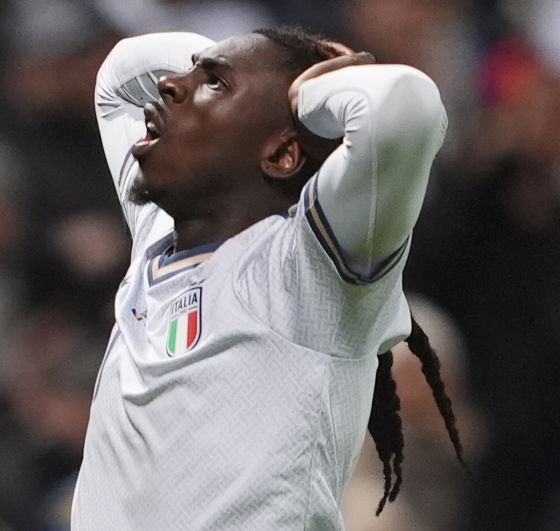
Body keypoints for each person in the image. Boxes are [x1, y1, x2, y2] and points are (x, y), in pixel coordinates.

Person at [71, 27, 465, 530]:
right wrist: (233, 63)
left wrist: (306, 92)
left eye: (215, 83)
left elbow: (406, 106)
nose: (170, 84)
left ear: (282, 153)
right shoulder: (157, 233)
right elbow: (121, 74)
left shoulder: (309, 268)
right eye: (188, 72)